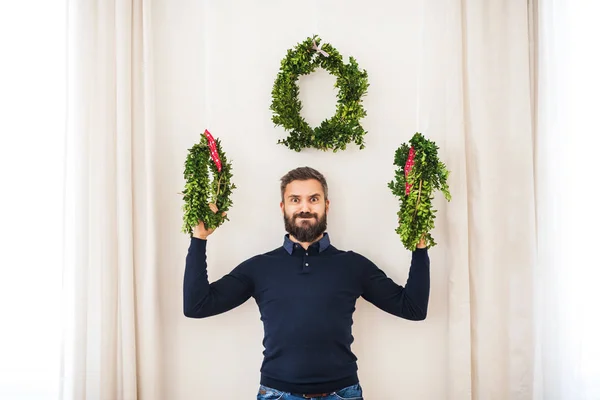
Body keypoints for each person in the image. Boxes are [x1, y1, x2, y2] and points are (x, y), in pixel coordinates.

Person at [183, 167, 430, 400]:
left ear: (326, 205)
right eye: (295, 200)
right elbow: (197, 306)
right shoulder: (259, 267)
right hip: (277, 393)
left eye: (313, 199)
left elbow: (413, 309)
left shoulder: (354, 265)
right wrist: (199, 239)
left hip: (343, 392)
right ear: (283, 207)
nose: (305, 208)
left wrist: (419, 248)